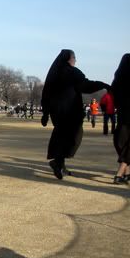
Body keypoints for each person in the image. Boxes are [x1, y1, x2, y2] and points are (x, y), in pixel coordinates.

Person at [41, 50, 109, 180]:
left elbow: (46, 93)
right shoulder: (72, 72)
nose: (75, 60)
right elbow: (86, 86)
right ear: (69, 58)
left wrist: (46, 113)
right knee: (74, 136)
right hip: (70, 110)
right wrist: (104, 85)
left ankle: (60, 165)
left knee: (61, 136)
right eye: (74, 58)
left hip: (57, 111)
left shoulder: (54, 73)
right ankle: (57, 162)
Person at [111, 54, 130, 185]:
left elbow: (113, 94)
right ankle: (120, 173)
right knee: (129, 144)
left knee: (121, 142)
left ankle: (127, 172)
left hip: (123, 115)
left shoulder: (118, 80)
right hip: (127, 114)